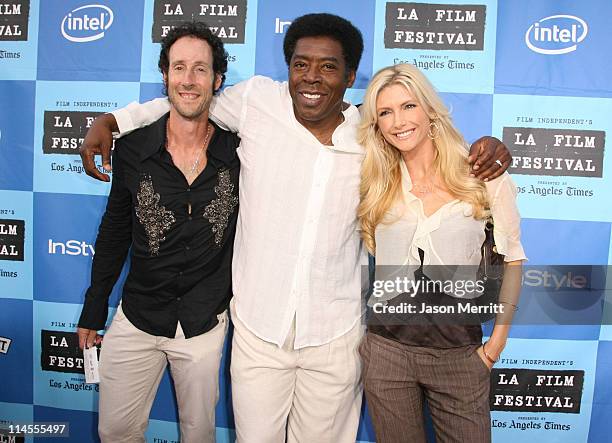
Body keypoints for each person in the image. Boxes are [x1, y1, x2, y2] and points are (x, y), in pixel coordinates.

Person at [78, 14, 511, 443]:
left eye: (328, 67)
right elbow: (188, 100)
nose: (312, 78)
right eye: (301, 64)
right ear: (288, 68)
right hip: (259, 332)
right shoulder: (255, 103)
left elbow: (423, 144)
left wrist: (487, 149)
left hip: (336, 336)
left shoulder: (370, 135)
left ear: (350, 75)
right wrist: (114, 121)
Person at [76, 22, 239, 443]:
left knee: (198, 435)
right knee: (115, 432)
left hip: (204, 324)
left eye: (200, 69)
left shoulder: (240, 153)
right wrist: (94, 308)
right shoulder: (132, 149)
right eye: (179, 67)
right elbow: (114, 233)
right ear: (164, 75)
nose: (188, 79)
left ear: (217, 80)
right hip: (138, 317)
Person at [357, 63, 526, 443]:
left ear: (430, 110)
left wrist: (494, 347)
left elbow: (513, 259)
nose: (398, 121)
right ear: (378, 124)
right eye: (385, 112)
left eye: (408, 106)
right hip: (386, 352)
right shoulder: (376, 179)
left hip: (459, 354)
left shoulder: (482, 173)